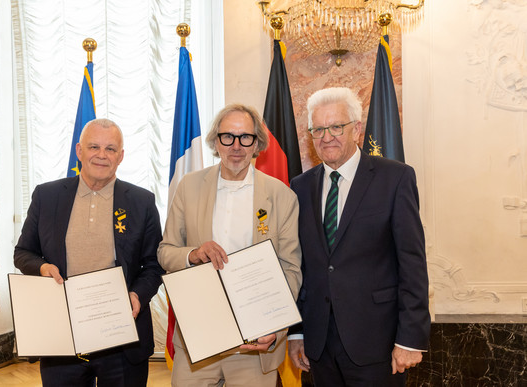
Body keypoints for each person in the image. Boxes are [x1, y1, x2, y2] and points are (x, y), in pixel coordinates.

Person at [288, 87, 430, 386]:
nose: (327, 137)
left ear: (357, 129)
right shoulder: (299, 187)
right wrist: (297, 332)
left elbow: (412, 263)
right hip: (318, 345)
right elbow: (301, 266)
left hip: (377, 343)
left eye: (336, 126)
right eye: (318, 129)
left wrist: (410, 338)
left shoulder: (395, 178)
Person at [157, 103, 302, 387]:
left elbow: (291, 270)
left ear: (257, 143)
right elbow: (165, 252)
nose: (236, 146)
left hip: (254, 344)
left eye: (245, 137)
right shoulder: (188, 186)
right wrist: (194, 254)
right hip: (198, 342)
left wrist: (275, 326)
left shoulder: (281, 196)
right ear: (215, 141)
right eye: (228, 137)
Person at [14, 118, 164, 387]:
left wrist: (137, 295)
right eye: (94, 146)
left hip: (122, 338)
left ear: (121, 156)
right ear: (79, 151)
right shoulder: (46, 196)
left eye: (110, 149)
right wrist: (42, 268)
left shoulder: (142, 201)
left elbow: (154, 264)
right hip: (63, 337)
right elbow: (23, 252)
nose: (102, 155)